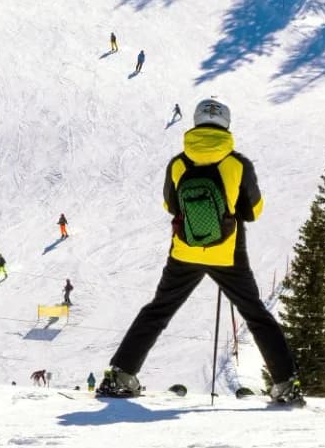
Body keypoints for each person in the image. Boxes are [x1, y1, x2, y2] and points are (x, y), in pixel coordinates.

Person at [98, 98, 303, 406]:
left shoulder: (179, 163)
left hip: (185, 250)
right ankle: (286, 384)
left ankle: (121, 375)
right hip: (227, 253)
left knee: (159, 310)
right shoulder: (237, 164)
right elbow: (253, 211)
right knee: (256, 314)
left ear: (195, 123)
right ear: (226, 125)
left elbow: (170, 205)